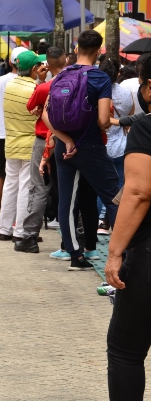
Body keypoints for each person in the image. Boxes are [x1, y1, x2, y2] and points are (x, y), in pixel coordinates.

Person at [42, 30, 120, 271]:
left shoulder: (61, 75)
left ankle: (75, 256)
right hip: (90, 146)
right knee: (115, 196)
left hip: (64, 147)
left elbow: (45, 114)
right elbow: (103, 120)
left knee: (67, 200)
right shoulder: (100, 78)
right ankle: (124, 252)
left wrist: (66, 139)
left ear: (75, 49)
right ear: (99, 51)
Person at [104, 52, 151, 400]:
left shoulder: (147, 126)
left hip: (147, 253)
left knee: (126, 349)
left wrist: (115, 252)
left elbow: (137, 192)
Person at [15, 46, 67, 254]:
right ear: (65, 60)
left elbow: (31, 107)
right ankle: (72, 239)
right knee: (69, 188)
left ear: (47, 65)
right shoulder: (77, 83)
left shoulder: (44, 88)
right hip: (68, 140)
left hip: (43, 139)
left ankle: (29, 237)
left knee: (39, 187)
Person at [0, 51, 45, 243]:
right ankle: (20, 231)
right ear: (33, 68)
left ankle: (4, 228)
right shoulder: (34, 88)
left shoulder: (9, 86)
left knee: (10, 184)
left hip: (11, 142)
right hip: (29, 144)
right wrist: (42, 80)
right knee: (26, 186)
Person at [0, 47, 28, 226]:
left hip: (3, 132)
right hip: (21, 133)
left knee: (3, 175)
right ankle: (15, 221)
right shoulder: (27, 83)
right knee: (21, 178)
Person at [97, 58, 133, 235]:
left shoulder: (96, 91)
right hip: (121, 145)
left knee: (98, 185)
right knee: (118, 186)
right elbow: (130, 115)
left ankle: (98, 219)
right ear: (118, 73)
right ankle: (109, 221)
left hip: (101, 144)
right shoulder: (126, 92)